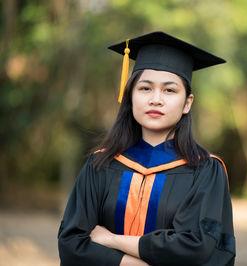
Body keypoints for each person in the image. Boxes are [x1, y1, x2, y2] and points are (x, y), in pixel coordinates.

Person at [57, 31, 235, 266]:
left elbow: (197, 246)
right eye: (145, 88)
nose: (156, 99)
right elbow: (71, 244)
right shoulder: (101, 164)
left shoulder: (205, 170)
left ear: (187, 103)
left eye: (169, 90)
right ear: (130, 95)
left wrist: (112, 240)